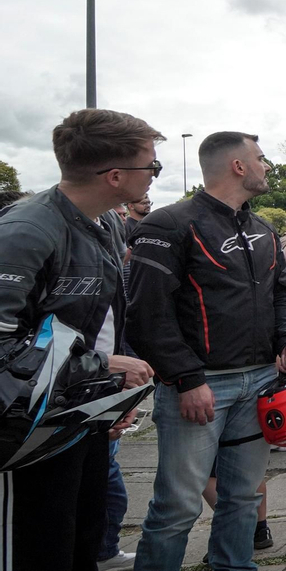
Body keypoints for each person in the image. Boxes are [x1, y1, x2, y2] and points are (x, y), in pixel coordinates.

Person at [127, 132, 286, 571]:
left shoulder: (262, 229)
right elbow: (147, 315)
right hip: (201, 387)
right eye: (261, 159)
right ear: (238, 167)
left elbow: (280, 293)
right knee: (178, 507)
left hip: (261, 380)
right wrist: (187, 378)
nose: (268, 166)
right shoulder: (168, 224)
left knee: (244, 496)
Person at [0, 109, 158, 571]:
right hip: (25, 434)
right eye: (152, 166)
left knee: (82, 542)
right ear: (114, 176)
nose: (153, 176)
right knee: (37, 549)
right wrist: (105, 367)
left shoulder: (107, 223)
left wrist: (108, 396)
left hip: (79, 418)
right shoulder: (26, 231)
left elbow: (103, 319)